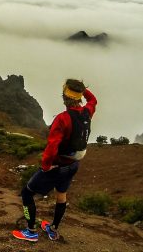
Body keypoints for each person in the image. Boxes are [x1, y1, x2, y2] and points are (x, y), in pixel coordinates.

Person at [12, 79, 97, 242]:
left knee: (27, 193)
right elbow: (93, 100)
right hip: (73, 165)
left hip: (57, 166)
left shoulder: (62, 119)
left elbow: (52, 147)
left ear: (64, 97)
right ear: (79, 98)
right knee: (61, 195)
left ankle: (30, 231)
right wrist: (82, 90)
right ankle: (53, 229)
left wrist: (45, 167)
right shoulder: (87, 112)